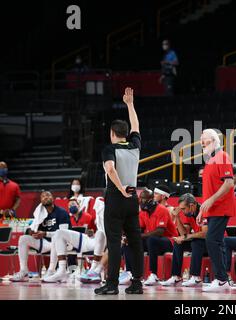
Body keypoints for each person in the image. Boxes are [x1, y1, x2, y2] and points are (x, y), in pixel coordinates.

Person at [95, 87, 144, 295]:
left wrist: (120, 187)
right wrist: (130, 105)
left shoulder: (109, 148)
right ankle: (137, 283)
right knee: (135, 242)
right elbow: (136, 125)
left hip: (116, 197)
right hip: (133, 198)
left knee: (114, 242)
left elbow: (110, 169)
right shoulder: (135, 145)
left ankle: (112, 284)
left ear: (112, 133)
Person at [197, 129, 235, 292]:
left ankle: (221, 279)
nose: (201, 143)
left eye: (203, 139)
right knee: (215, 242)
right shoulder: (211, 160)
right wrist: (201, 211)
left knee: (212, 240)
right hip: (212, 209)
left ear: (213, 140)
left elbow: (229, 183)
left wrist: (211, 200)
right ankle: (222, 279)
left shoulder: (222, 156)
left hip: (221, 207)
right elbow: (209, 191)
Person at [11, 191, 71, 282]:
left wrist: (45, 233)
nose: (45, 197)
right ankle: (24, 271)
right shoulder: (40, 213)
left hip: (61, 244)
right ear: (41, 201)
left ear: (53, 198)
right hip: (45, 243)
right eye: (43, 196)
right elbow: (32, 228)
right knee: (23, 239)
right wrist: (31, 232)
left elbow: (63, 233)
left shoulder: (61, 212)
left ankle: (51, 270)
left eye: (48, 195)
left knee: (56, 239)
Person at [122, 190, 178, 286]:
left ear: (151, 200)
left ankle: (154, 274)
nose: (140, 201)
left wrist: (139, 236)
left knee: (151, 239)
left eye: (143, 199)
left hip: (170, 241)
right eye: (140, 199)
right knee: (129, 242)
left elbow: (160, 232)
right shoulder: (143, 212)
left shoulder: (162, 210)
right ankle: (130, 273)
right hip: (152, 242)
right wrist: (129, 235)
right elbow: (139, 229)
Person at [41, 202, 106, 283]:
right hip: (76, 241)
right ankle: (58, 270)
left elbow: (94, 231)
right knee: (58, 233)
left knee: (100, 233)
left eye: (73, 204)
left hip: (91, 240)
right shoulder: (69, 217)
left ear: (79, 205)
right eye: (69, 205)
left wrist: (91, 231)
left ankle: (92, 270)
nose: (72, 206)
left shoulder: (88, 216)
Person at [160, 193, 208, 287]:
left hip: (212, 244)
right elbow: (183, 234)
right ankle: (176, 276)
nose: (182, 211)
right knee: (178, 242)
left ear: (192, 205)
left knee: (196, 242)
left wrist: (187, 237)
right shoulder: (188, 213)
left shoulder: (203, 211)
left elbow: (205, 234)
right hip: (198, 242)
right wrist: (177, 217)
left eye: (183, 209)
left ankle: (195, 277)